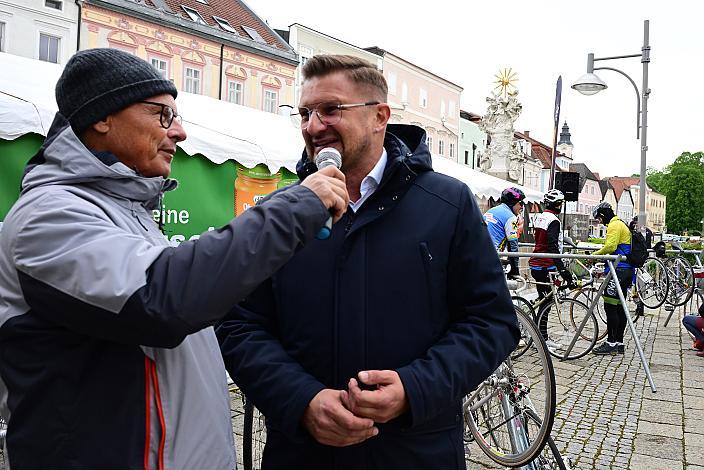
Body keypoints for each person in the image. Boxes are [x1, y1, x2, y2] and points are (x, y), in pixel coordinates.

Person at [0, 48, 349, 469]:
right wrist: (295, 206)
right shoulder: (49, 216)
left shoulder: (125, 210)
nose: (179, 132)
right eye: (163, 115)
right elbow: (163, 298)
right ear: (102, 117)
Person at [216, 55, 520, 470]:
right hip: (304, 455)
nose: (312, 125)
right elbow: (239, 326)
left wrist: (415, 388)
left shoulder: (447, 204)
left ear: (380, 117)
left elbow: (492, 322)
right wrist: (300, 399)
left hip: (416, 453)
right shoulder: (279, 212)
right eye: (305, 113)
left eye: (330, 110)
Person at [529, 189, 573, 349]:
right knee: (546, 303)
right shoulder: (554, 220)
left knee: (543, 300)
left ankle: (538, 337)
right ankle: (541, 339)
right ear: (558, 204)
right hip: (546, 264)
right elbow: (553, 247)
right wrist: (563, 270)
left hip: (536, 263)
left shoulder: (540, 217)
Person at [591, 202, 633, 355]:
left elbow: (610, 247)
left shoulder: (614, 225)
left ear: (603, 215)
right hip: (627, 270)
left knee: (610, 307)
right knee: (620, 307)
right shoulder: (622, 224)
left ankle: (611, 343)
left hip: (618, 270)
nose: (599, 222)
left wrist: (593, 256)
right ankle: (619, 343)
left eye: (599, 218)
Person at [484, 187, 526, 278]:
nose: (521, 207)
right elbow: (513, 245)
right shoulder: (511, 217)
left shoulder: (491, 211)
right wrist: (515, 270)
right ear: (512, 203)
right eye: (520, 203)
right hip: (491, 257)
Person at [629, 215, 653, 317]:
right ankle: (640, 305)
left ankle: (639, 305)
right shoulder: (648, 231)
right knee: (640, 284)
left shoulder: (637, 232)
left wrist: (630, 228)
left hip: (637, 260)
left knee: (636, 284)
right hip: (644, 259)